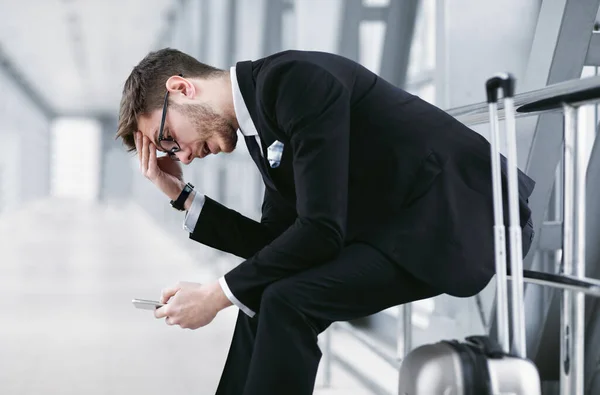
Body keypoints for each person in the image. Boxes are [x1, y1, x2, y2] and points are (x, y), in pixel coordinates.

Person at [116, 48, 536, 394]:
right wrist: (182, 196)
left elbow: (320, 231)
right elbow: (278, 243)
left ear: (181, 88)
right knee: (266, 293)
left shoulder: (294, 81)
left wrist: (217, 294)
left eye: (168, 139)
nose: (183, 156)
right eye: (170, 152)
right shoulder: (260, 121)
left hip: (464, 217)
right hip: (398, 227)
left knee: (285, 300)